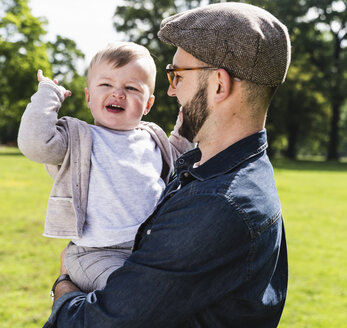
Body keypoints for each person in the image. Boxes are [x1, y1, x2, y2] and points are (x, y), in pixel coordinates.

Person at [44, 2, 290, 327]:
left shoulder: (217, 202)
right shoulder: (234, 173)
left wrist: (63, 285)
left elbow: (100, 322)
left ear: (218, 84)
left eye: (177, 75)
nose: (172, 91)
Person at [18, 42, 192, 293]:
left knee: (174, 294)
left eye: (131, 88)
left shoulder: (153, 138)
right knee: (128, 295)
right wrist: (48, 94)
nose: (118, 93)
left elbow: (179, 154)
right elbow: (34, 143)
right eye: (106, 85)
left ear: (148, 104)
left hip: (149, 249)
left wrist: (189, 119)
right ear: (89, 97)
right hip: (95, 252)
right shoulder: (77, 138)